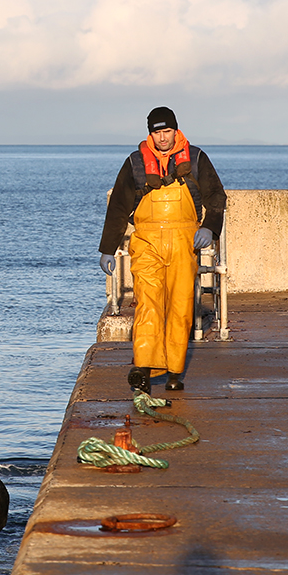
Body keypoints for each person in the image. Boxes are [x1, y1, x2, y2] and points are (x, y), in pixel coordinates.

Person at [98, 106, 226, 393]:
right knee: (147, 305)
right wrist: (108, 248)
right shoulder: (134, 163)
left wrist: (209, 227)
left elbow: (217, 196)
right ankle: (142, 369)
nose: (163, 137)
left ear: (175, 130)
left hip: (184, 242)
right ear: (150, 134)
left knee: (180, 307)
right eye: (157, 132)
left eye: (167, 131)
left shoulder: (196, 159)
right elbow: (119, 205)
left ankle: (173, 372)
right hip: (147, 244)